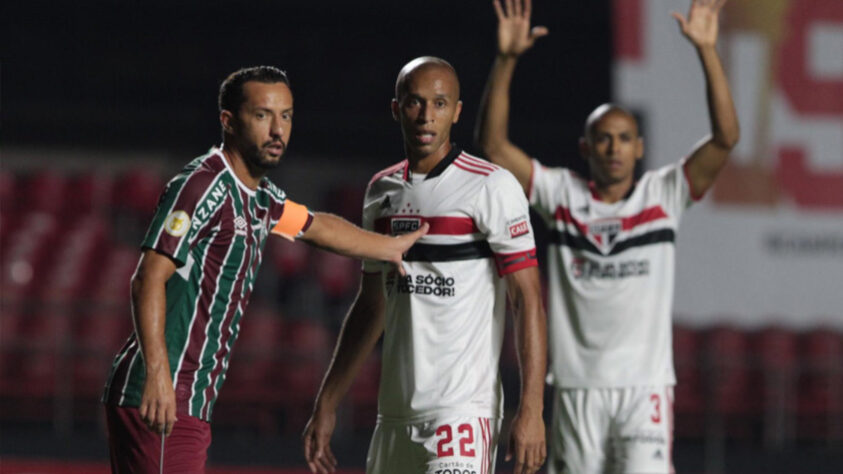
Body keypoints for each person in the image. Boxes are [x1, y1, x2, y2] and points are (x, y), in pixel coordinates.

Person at [101, 65, 429, 474]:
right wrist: (158, 376)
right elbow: (147, 278)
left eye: (286, 116)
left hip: (188, 398)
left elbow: (316, 226)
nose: (278, 130)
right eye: (262, 115)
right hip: (164, 396)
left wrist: (390, 247)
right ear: (229, 121)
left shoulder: (260, 198)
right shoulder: (204, 186)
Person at [476, 1, 739, 473]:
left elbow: (725, 139)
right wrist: (507, 59)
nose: (613, 147)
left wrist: (706, 50)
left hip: (645, 388)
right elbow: (493, 146)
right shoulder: (561, 195)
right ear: (586, 147)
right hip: (577, 388)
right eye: (603, 138)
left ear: (639, 147)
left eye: (623, 138)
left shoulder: (665, 193)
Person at [302, 56, 548, 474]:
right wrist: (327, 401)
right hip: (394, 417)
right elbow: (371, 303)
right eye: (415, 103)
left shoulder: (492, 185)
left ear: (457, 112)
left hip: (462, 413)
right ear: (396, 108)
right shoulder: (381, 192)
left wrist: (532, 409)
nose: (426, 116)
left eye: (439, 104)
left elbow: (527, 301)